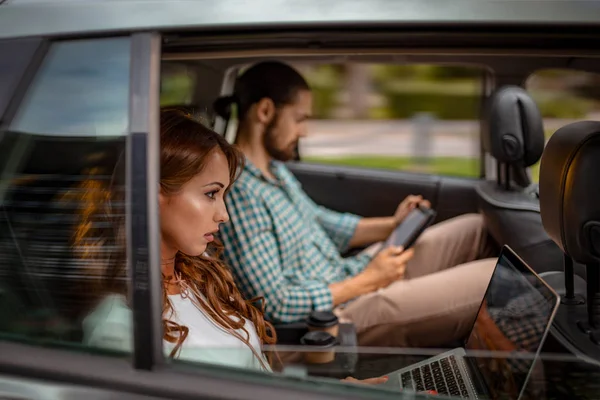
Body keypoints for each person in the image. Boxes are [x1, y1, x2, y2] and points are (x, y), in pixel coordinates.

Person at [76, 108, 387, 385]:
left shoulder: (198, 278)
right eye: (211, 194)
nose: (223, 215)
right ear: (151, 196)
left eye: (223, 195)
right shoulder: (119, 329)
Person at [214, 61, 499, 348]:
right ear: (264, 111)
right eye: (300, 119)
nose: (305, 132)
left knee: (476, 229)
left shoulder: (275, 172)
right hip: (331, 317)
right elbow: (274, 303)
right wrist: (369, 281)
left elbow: (324, 223)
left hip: (352, 276)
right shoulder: (240, 192)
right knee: (491, 276)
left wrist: (394, 225)